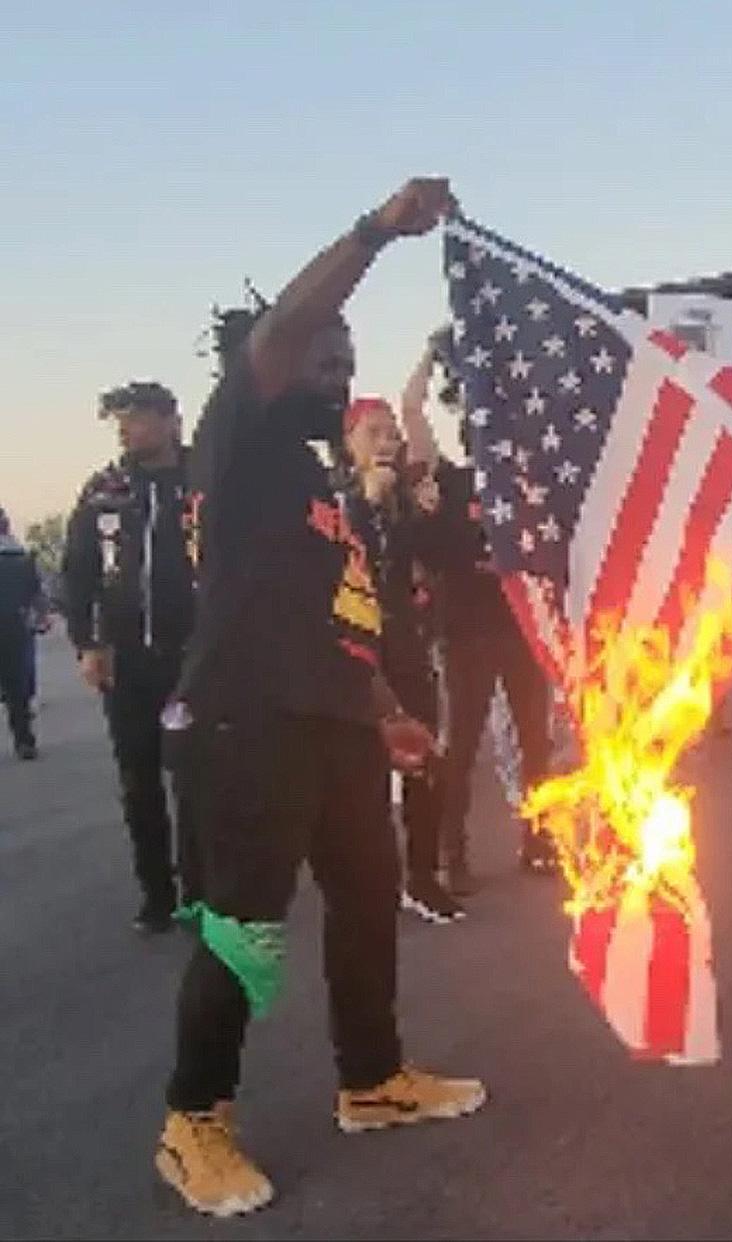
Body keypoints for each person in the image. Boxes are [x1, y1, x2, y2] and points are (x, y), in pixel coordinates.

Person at [156, 178, 484, 1219]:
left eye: (350, 363)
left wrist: (385, 703)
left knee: (365, 900)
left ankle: (372, 1080)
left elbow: (339, 617)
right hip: (245, 721)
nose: (338, 374)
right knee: (246, 931)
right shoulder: (238, 433)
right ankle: (192, 1122)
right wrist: (378, 231)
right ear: (271, 361)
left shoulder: (311, 483)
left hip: (333, 720)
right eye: (323, 358)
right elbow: (292, 319)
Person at [410, 361, 556, 893]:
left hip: (519, 629)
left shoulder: (526, 486)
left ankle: (540, 840)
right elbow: (413, 416)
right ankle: (453, 855)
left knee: (536, 742)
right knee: (462, 747)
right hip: (464, 634)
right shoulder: (446, 483)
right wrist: (430, 357)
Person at [62, 381, 197, 932]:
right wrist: (87, 644)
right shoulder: (104, 492)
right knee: (138, 781)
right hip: (129, 663)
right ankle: (156, 894)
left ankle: (203, 888)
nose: (125, 429)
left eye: (136, 417)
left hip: (196, 660)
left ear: (169, 420)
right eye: (119, 420)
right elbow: (78, 572)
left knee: (197, 779)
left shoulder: (203, 479)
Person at [341, 392, 464, 924]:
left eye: (393, 432)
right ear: (350, 446)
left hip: (407, 645)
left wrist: (432, 515)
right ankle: (367, 879)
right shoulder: (338, 504)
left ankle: (421, 875)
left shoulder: (406, 503)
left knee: (425, 757)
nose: (388, 441)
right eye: (374, 432)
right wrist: (367, 506)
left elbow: (443, 559)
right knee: (360, 773)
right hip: (353, 651)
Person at [0, 506, 46, 759]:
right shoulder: (22, 558)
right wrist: (40, 617)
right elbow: (35, 594)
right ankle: (24, 740)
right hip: (14, 626)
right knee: (16, 687)